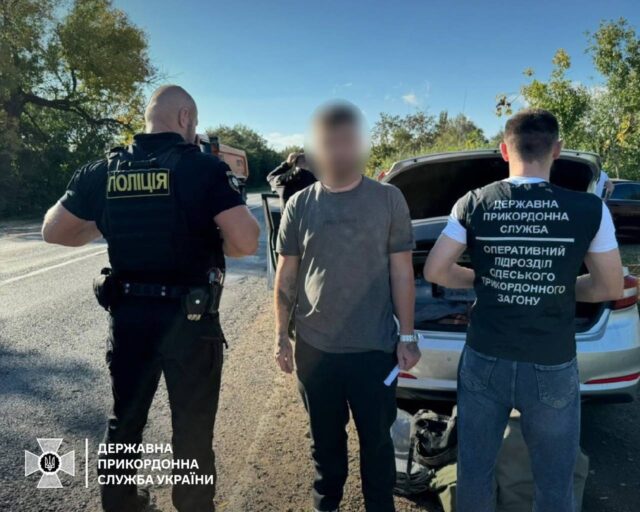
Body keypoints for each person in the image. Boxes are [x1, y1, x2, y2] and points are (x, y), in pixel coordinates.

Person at [42, 85, 260, 512]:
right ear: (184, 118)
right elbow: (246, 241)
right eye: (194, 123)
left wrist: (106, 222)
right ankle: (192, 505)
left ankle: (120, 503)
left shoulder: (102, 169)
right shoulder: (203, 168)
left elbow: (54, 230)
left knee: (124, 419)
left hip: (129, 319)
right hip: (190, 322)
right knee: (193, 427)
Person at [424, 108, 623, 512]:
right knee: (554, 481)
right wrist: (556, 287)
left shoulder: (473, 202)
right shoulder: (590, 209)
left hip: (484, 358)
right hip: (551, 362)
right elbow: (609, 286)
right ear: (557, 150)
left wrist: (485, 280)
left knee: (474, 472)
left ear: (504, 150)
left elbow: (436, 270)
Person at [273, 101, 421, 512]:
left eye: (346, 142)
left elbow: (402, 273)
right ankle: (327, 505)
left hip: (374, 350)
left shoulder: (388, 199)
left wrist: (408, 336)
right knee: (324, 444)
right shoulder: (300, 204)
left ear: (359, 146)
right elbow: (286, 276)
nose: (338, 152)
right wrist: (281, 336)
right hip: (315, 350)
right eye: (329, 143)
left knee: (377, 443)